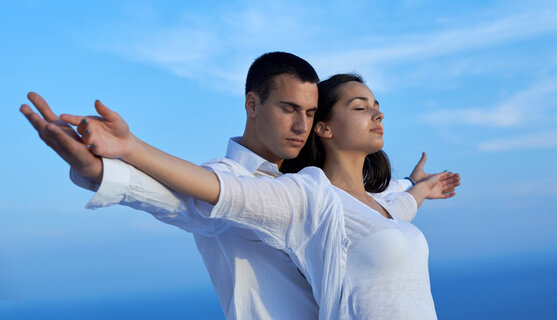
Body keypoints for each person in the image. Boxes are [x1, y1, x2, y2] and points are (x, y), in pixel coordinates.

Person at [59, 72, 460, 319]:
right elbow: (181, 196)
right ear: (253, 104)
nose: (301, 123)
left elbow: (379, 215)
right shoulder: (296, 193)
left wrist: (416, 187)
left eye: (308, 111)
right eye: (290, 109)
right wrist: (109, 163)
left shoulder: (340, 198)